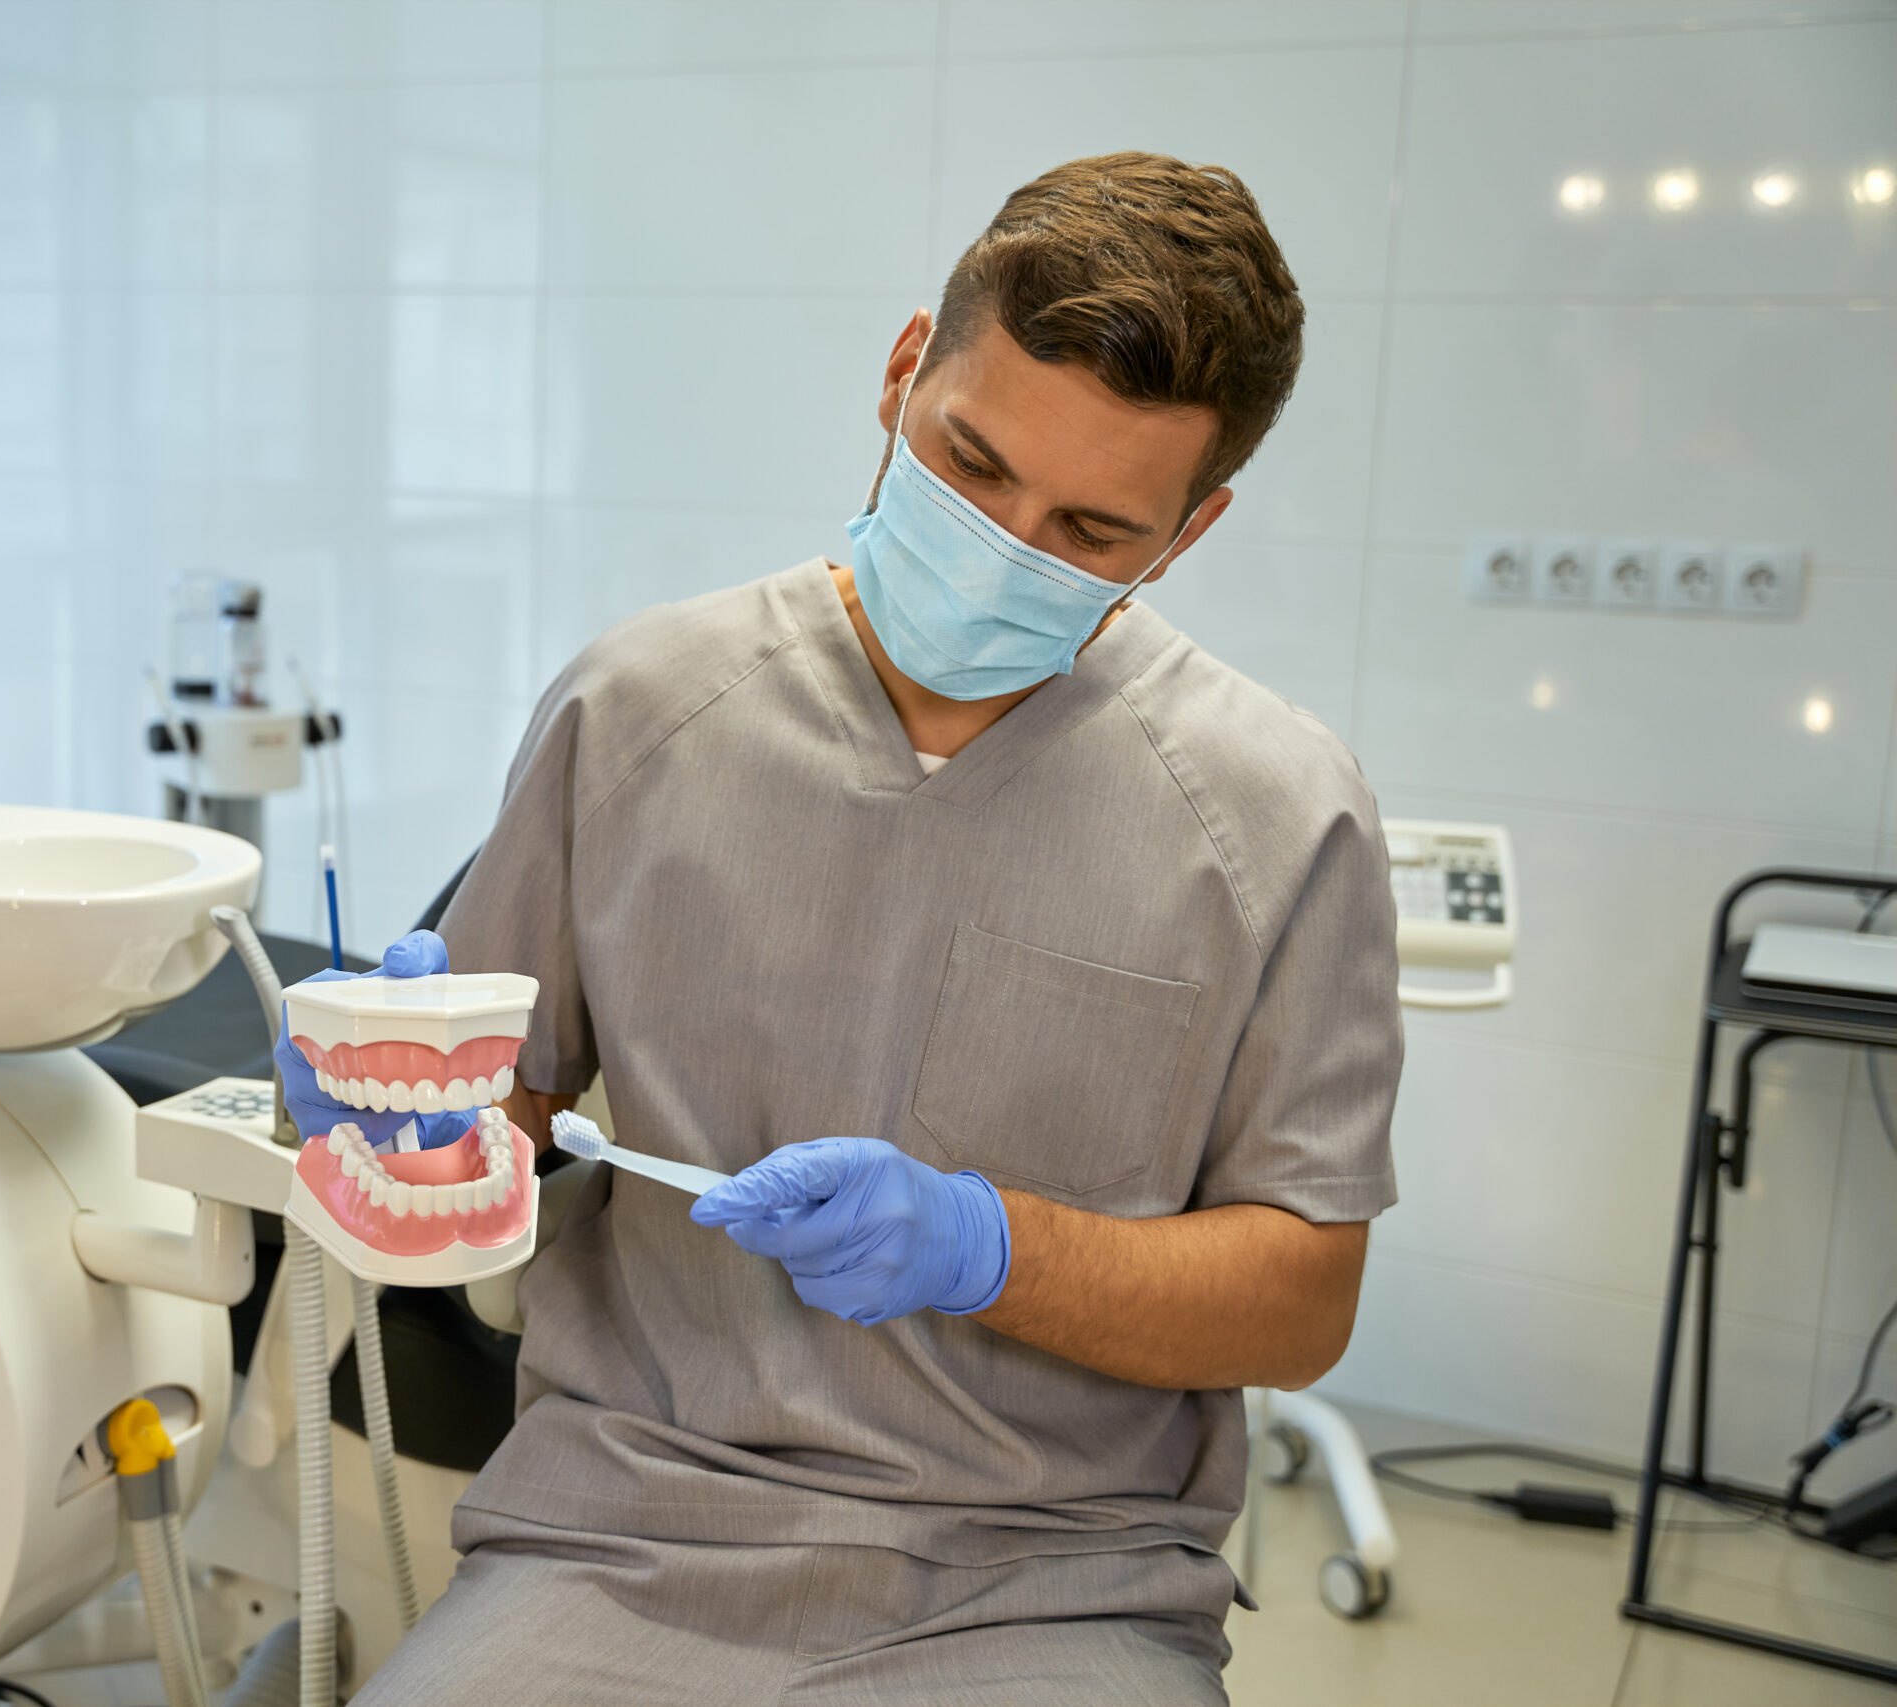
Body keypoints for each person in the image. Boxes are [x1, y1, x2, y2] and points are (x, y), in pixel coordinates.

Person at [305, 152, 1402, 1704]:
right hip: (623, 1532)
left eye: (1091, 529)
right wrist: (403, 1106)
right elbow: (506, 1104)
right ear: (903, 372)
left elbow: (1302, 1299)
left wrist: (986, 1247)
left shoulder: (1280, 819)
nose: (1008, 545)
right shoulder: (641, 709)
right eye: (971, 465)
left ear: (1192, 527)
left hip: (1057, 1586)